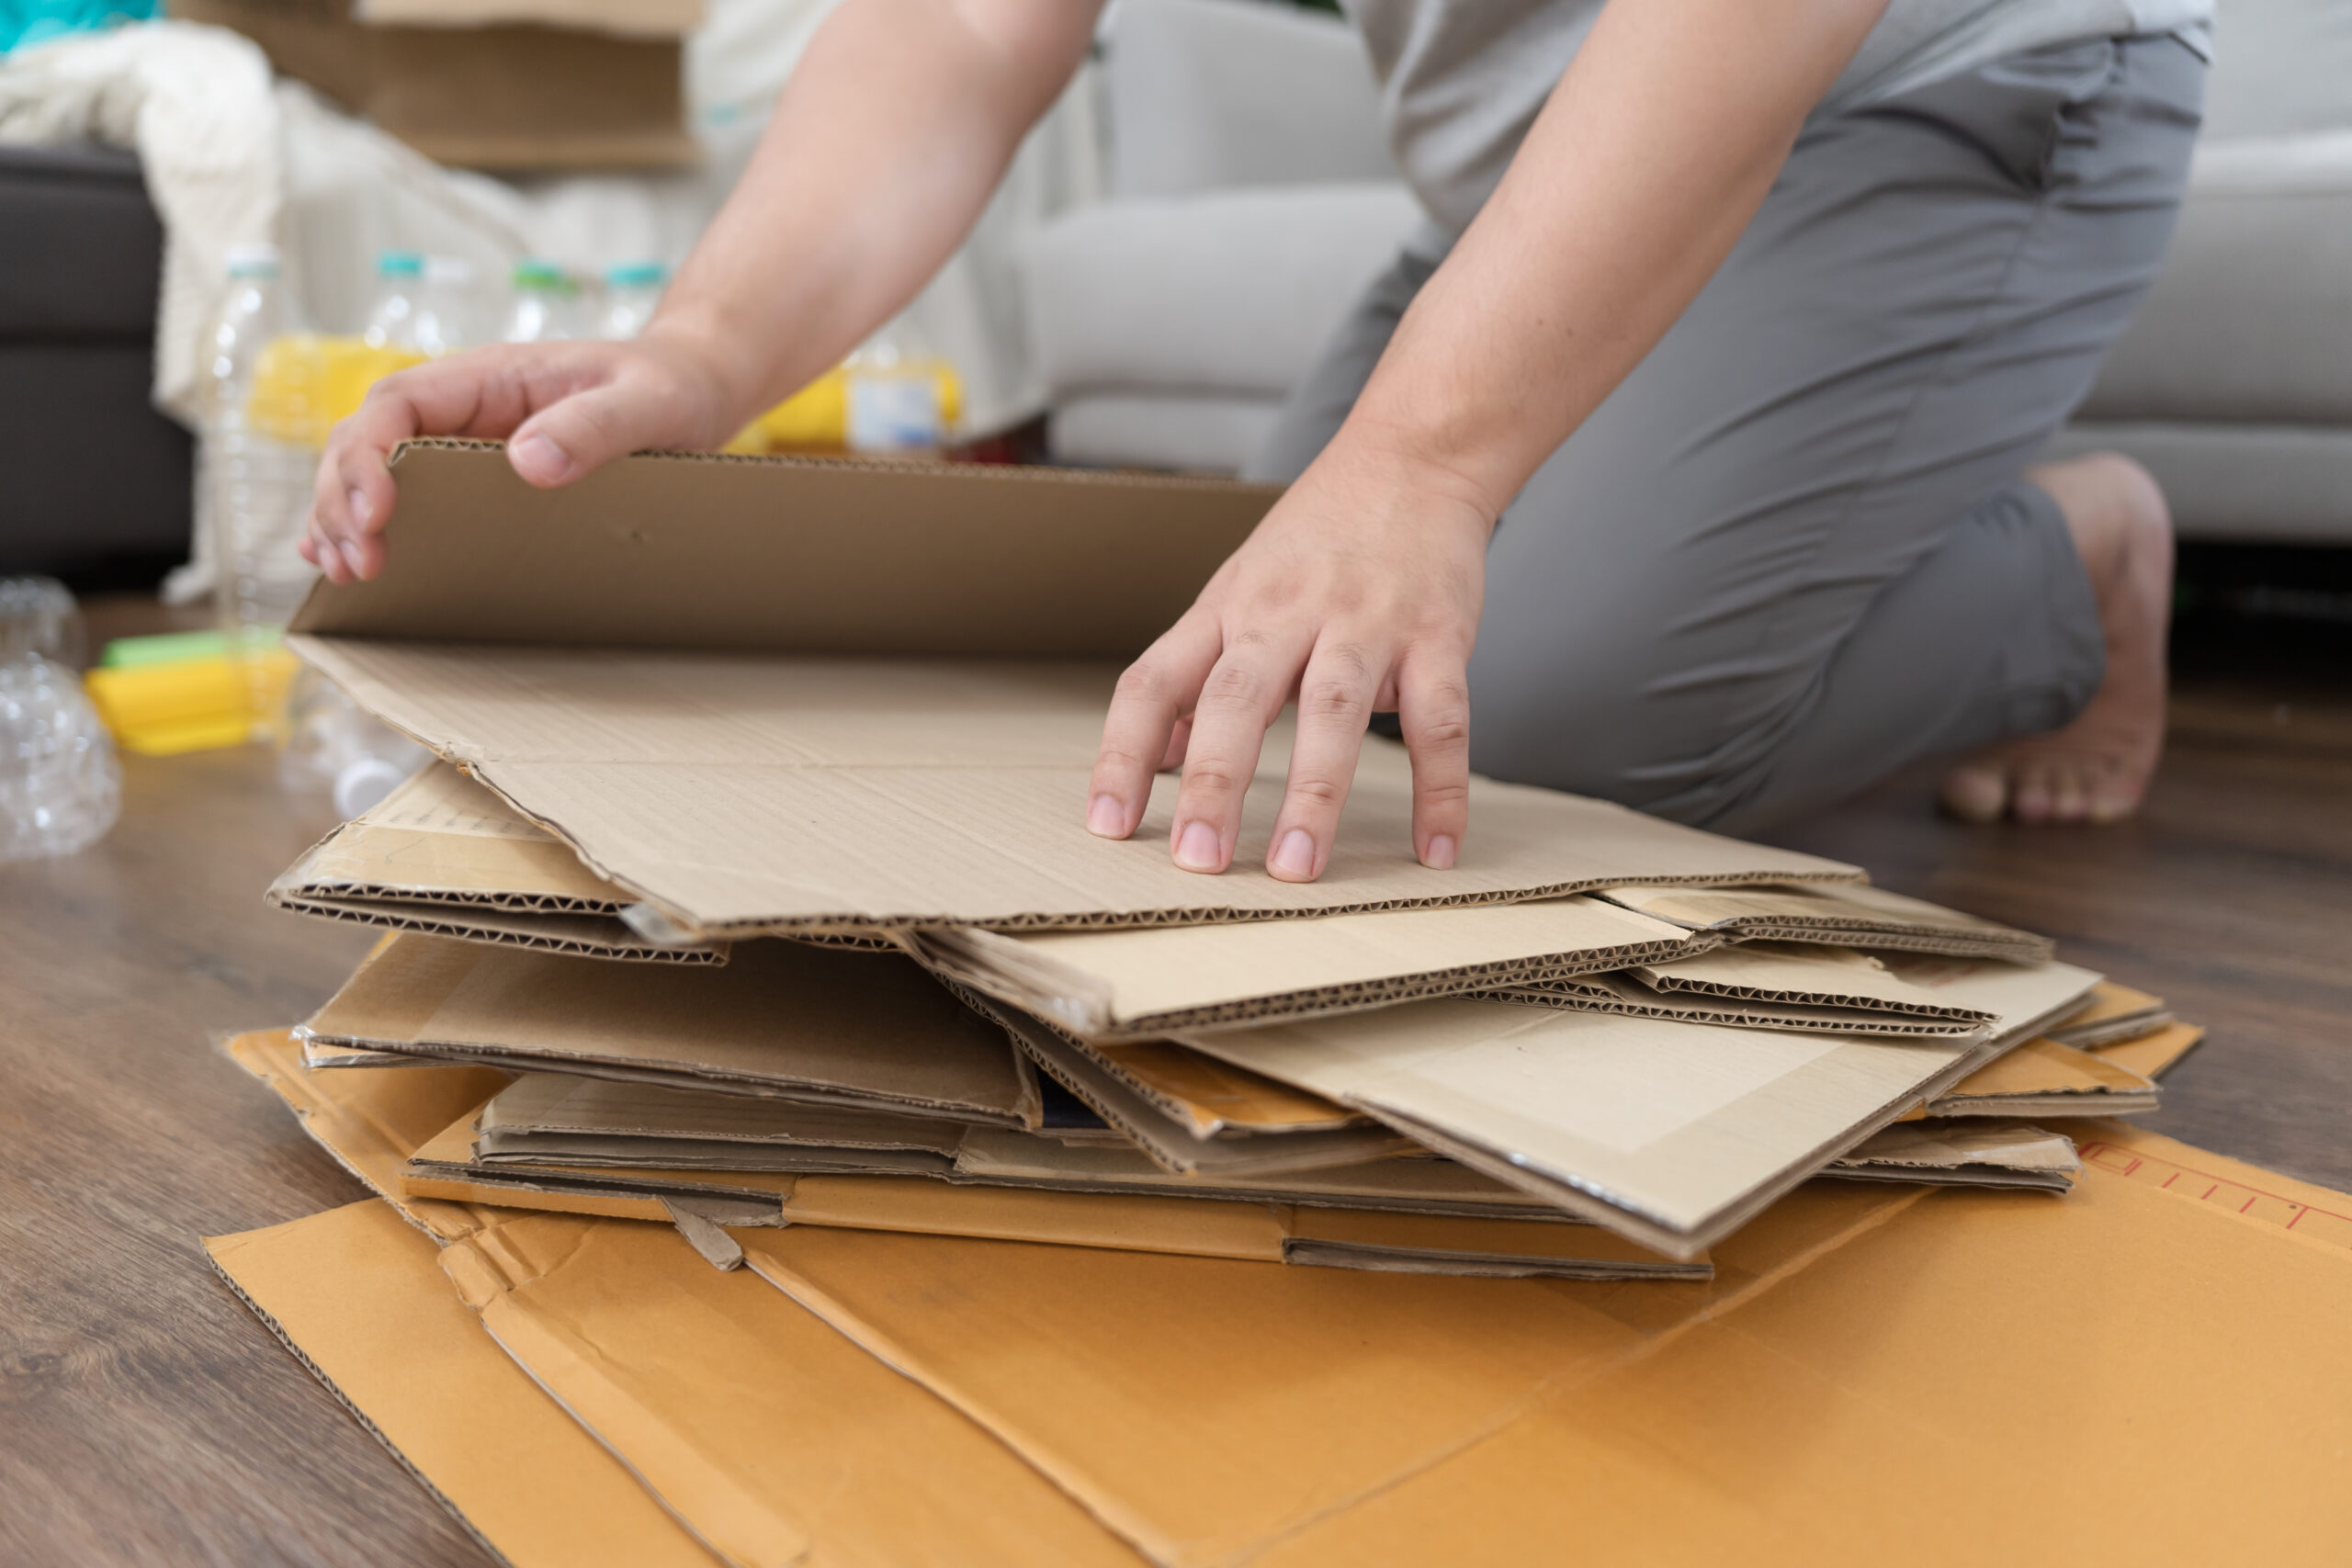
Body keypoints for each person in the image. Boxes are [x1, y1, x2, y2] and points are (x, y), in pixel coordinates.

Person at [302, 0, 2208, 885]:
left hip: (1934, 82)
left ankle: (2076, 556)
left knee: (1548, 720)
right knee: (1264, 666)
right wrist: (700, 352)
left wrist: (1429, 463)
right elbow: (967, 26)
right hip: (1522, 173)